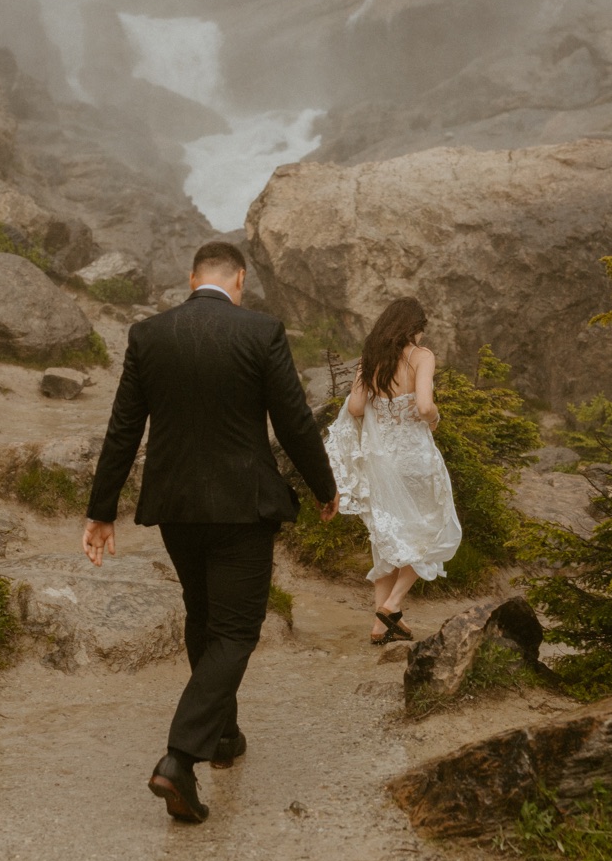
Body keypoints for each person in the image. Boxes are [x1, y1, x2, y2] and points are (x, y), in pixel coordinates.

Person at [80, 241, 338, 824]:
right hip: (243, 508)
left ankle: (223, 738)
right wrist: (324, 487)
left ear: (191, 279)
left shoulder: (149, 334)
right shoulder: (261, 331)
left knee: (203, 616)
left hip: (175, 507)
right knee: (237, 630)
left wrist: (101, 510)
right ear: (239, 280)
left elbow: (123, 429)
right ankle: (179, 759)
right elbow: (293, 420)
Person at [323, 297, 462, 645]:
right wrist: (434, 419)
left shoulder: (371, 361)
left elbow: (355, 407)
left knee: (386, 539)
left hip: (381, 462)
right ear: (414, 328)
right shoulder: (421, 356)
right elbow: (425, 405)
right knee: (433, 530)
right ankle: (392, 606)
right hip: (415, 459)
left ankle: (380, 628)